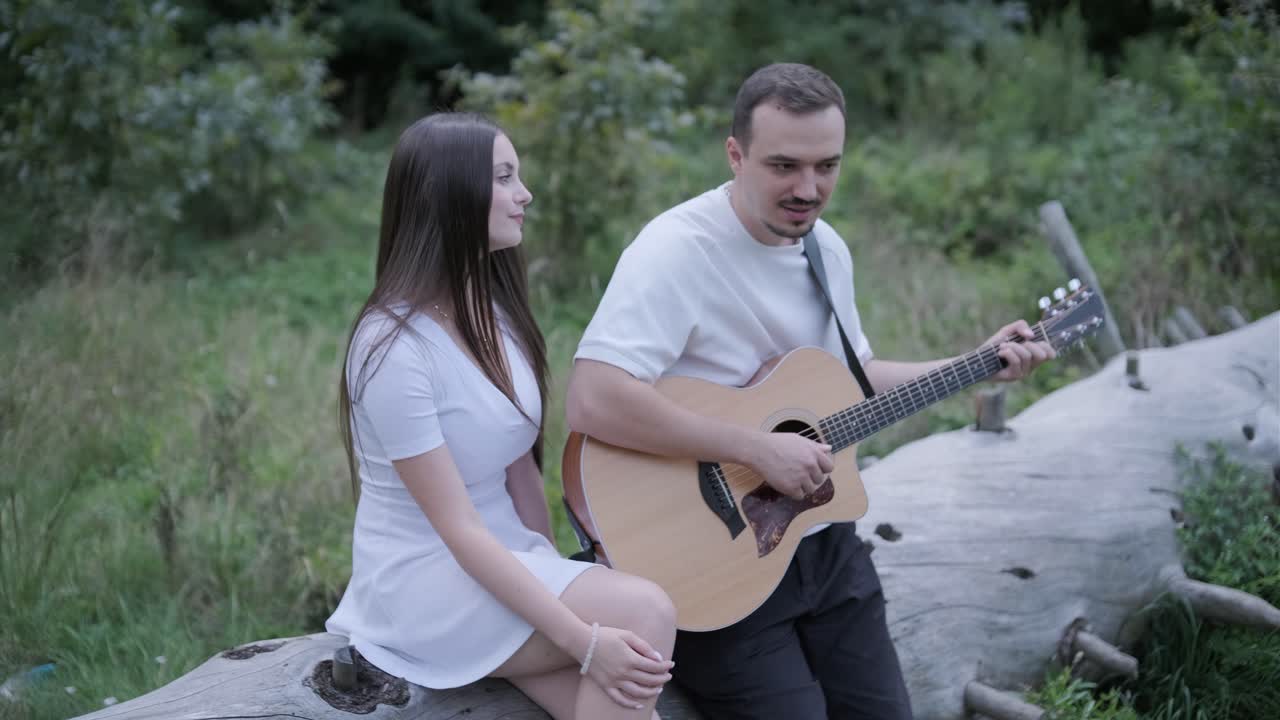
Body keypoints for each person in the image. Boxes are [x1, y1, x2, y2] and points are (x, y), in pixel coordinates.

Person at [565, 64, 1056, 719]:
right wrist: (755, 449)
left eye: (828, 166)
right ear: (735, 155)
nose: (809, 188)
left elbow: (852, 379)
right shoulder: (676, 251)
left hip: (820, 540)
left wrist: (976, 363)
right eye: (784, 166)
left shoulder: (826, 250)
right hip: (713, 561)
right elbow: (593, 398)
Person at [327, 112, 677, 720]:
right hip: (423, 580)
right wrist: (583, 639)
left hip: (504, 557)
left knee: (626, 703)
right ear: (450, 196)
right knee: (644, 612)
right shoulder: (391, 348)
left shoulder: (495, 311)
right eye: (506, 177)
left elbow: (520, 471)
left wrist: (552, 569)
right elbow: (458, 530)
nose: (526, 194)